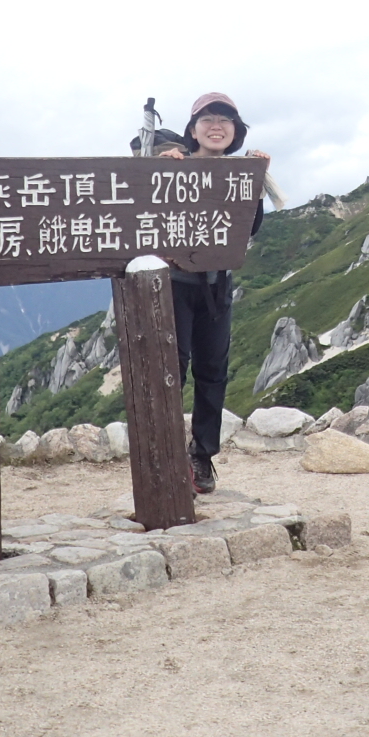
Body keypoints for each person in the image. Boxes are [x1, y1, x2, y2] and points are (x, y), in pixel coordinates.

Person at [158, 92, 270, 494]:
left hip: (218, 286)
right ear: (192, 130)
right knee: (173, 368)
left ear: (236, 132)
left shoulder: (241, 173)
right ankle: (166, 454)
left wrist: (255, 182)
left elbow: (248, 229)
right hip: (174, 283)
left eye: (225, 120)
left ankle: (201, 457)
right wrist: (162, 170)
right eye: (207, 119)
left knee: (213, 373)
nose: (217, 126)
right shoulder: (172, 166)